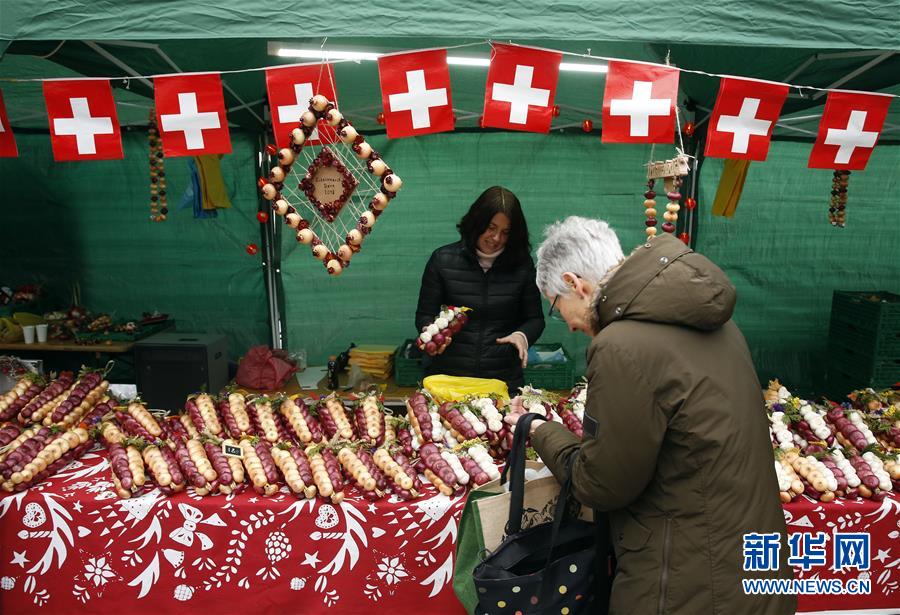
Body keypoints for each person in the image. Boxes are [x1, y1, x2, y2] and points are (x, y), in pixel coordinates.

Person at [508, 217, 796, 615]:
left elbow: (603, 484)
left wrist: (542, 431)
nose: (570, 326)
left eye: (558, 308)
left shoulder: (621, 345)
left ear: (575, 283)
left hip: (686, 582)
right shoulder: (719, 324)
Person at [415, 186, 545, 392]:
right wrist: (432, 332)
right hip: (448, 378)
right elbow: (424, 315)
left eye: (505, 232)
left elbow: (535, 319)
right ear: (477, 223)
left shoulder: (522, 266)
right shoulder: (443, 260)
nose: (496, 238)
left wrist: (522, 336)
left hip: (502, 380)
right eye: (491, 228)